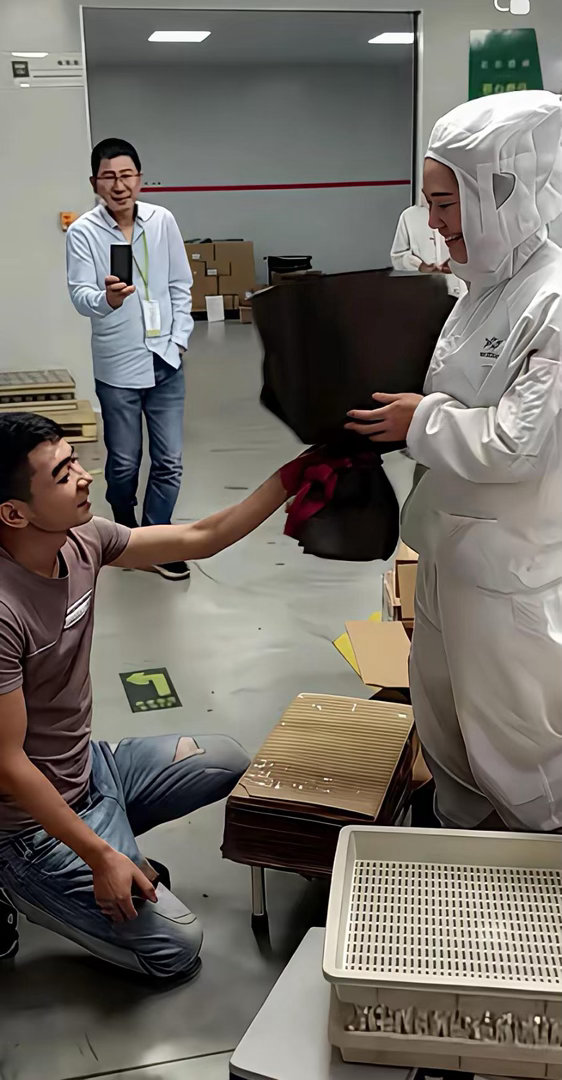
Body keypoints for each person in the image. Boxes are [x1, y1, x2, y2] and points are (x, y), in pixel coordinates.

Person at [0, 412, 288, 979]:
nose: (85, 475)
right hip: (24, 826)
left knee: (227, 759)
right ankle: (22, 880)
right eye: (62, 473)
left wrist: (293, 477)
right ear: (14, 513)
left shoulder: (82, 538)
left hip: (89, 771)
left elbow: (200, 538)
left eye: (75, 460)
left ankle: (104, 836)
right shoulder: (4, 610)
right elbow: (8, 765)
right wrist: (101, 855)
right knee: (176, 949)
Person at [347, 90, 562, 833]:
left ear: (502, 193)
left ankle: (537, 854)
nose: (433, 222)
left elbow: (517, 443)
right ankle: (458, 833)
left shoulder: (552, 301)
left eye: (445, 203)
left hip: (506, 563)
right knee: (441, 709)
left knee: (513, 736)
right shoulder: (480, 291)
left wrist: (420, 421)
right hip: (448, 545)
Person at [66, 138, 193, 582]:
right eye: (109, 177)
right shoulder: (84, 231)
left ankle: (153, 541)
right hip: (118, 364)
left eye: (126, 175)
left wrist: (179, 340)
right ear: (95, 183)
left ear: (139, 178)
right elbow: (80, 296)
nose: (119, 185)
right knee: (123, 464)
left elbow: (180, 284)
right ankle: (123, 530)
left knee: (169, 461)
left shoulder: (162, 221)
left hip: (166, 359)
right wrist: (108, 300)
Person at [391, 198, 466, 299]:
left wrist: (457, 261)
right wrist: (419, 265)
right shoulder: (409, 216)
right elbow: (398, 257)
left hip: (460, 292)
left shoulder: (464, 210)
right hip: (424, 293)